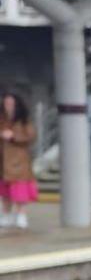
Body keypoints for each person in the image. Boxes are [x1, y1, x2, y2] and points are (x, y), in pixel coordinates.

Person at [0, 91, 38, 230]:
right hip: (2, 161)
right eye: (6, 103)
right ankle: (6, 214)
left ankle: (21, 215)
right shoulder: (2, 120)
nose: (8, 106)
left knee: (19, 190)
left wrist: (13, 136)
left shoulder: (23, 121)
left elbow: (31, 137)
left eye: (11, 104)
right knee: (4, 191)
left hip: (18, 161)